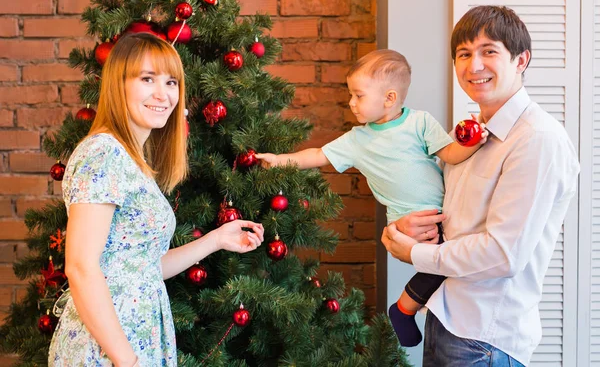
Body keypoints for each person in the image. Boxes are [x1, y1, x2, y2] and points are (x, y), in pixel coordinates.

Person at [48, 33, 265, 367]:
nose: (163, 95)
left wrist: (217, 239)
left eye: (171, 81)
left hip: (137, 338)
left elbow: (143, 268)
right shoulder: (103, 153)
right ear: (118, 85)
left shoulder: (129, 158)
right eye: (147, 79)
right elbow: (80, 267)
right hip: (107, 347)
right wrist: (126, 360)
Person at [382, 5, 580, 366]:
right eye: (464, 54)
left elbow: (504, 253)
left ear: (521, 60)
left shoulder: (536, 139)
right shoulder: (472, 135)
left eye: (489, 51)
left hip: (484, 338)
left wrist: (414, 254)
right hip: (444, 316)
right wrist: (406, 228)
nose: (474, 66)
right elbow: (454, 217)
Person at [256, 49, 487, 347]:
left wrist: (474, 142)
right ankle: (403, 310)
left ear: (389, 98)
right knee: (443, 264)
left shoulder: (420, 123)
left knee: (451, 267)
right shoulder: (357, 140)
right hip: (408, 224)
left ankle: (416, 313)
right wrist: (279, 160)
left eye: (358, 96)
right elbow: (317, 155)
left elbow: (451, 154)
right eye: (351, 95)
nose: (351, 103)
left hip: (444, 213)